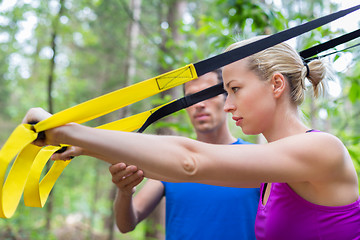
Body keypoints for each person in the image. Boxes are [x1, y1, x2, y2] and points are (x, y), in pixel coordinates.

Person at [23, 36, 360, 240]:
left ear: (275, 85)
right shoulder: (272, 171)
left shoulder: (321, 150)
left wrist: (67, 129)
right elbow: (173, 172)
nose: (228, 105)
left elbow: (190, 162)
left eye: (235, 90)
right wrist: (85, 146)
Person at [108, 69, 259, 240]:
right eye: (192, 97)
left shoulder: (256, 159)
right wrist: (125, 191)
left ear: (227, 99)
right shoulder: (173, 160)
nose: (200, 104)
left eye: (209, 94)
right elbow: (126, 224)